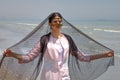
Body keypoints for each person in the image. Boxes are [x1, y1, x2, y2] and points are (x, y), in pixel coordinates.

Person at [3, 12, 113, 80]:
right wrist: (12, 54)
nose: (58, 23)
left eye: (60, 21)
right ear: (50, 24)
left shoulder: (68, 39)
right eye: (55, 21)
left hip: (65, 76)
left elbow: (83, 57)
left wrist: (104, 55)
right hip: (48, 77)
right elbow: (29, 57)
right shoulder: (44, 40)